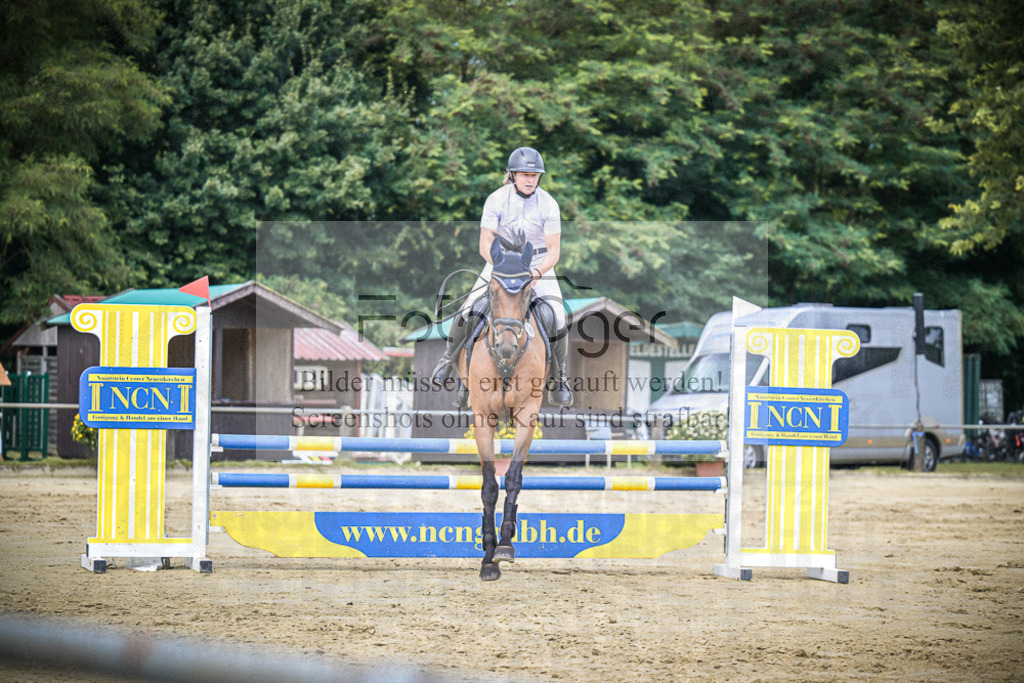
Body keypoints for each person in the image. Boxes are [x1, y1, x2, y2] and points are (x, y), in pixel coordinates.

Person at [430, 146, 573, 407]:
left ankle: (560, 377)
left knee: (558, 315)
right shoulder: (496, 199)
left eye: (535, 175)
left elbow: (554, 250)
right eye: (524, 174)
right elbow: (485, 243)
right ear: (513, 175)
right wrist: (499, 265)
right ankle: (448, 362)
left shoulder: (549, 204)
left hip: (537, 264)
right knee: (468, 309)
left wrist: (537, 272)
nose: (530, 180)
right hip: (500, 262)